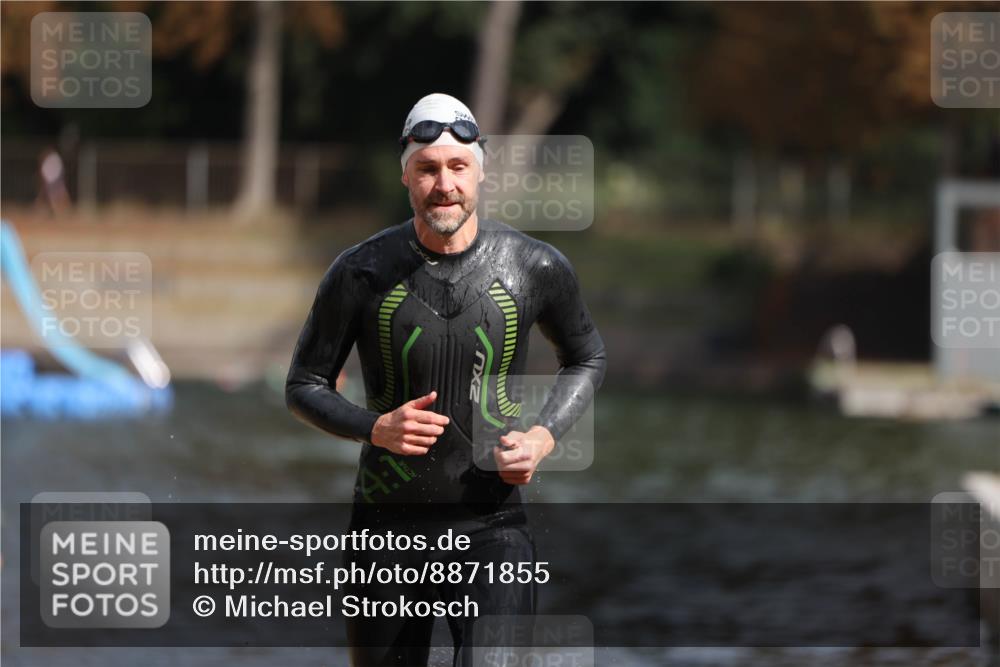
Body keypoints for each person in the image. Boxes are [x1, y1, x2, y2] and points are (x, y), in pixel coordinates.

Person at [286, 93, 606, 666]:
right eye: (427, 169)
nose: (444, 184)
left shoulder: (535, 267)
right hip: (383, 534)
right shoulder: (360, 271)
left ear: (480, 170)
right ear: (405, 175)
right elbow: (304, 384)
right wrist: (374, 427)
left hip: (493, 529)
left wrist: (542, 437)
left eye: (458, 167)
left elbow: (586, 358)